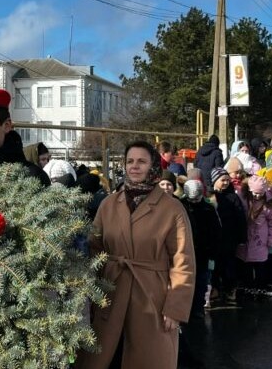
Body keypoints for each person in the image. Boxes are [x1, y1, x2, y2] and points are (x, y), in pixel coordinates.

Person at [78, 141, 195, 369]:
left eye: (141, 161)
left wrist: (175, 308)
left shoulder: (172, 209)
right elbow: (95, 248)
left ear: (153, 166)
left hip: (152, 296)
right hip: (110, 294)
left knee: (147, 357)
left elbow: (183, 261)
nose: (135, 166)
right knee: (104, 357)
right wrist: (93, 293)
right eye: (130, 161)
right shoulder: (109, 204)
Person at [180, 179, 220, 319]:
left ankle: (198, 308)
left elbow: (216, 231)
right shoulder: (181, 206)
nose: (195, 201)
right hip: (184, 250)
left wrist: (213, 252)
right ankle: (185, 309)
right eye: (192, 199)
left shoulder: (208, 208)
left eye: (197, 198)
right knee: (184, 281)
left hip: (203, 251)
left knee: (201, 281)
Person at [235, 176, 272, 297]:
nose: (257, 196)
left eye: (260, 193)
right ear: (249, 190)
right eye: (255, 193)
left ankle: (260, 286)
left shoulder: (267, 205)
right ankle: (248, 286)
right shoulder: (244, 200)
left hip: (260, 240)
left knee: (260, 265)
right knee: (246, 265)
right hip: (246, 238)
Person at [211, 167, 247, 305]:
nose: (225, 183)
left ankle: (230, 290)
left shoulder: (233, 197)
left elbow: (240, 217)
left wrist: (242, 237)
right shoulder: (211, 196)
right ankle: (215, 289)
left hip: (230, 237)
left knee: (230, 265)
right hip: (214, 238)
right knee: (215, 266)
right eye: (222, 180)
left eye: (227, 180)